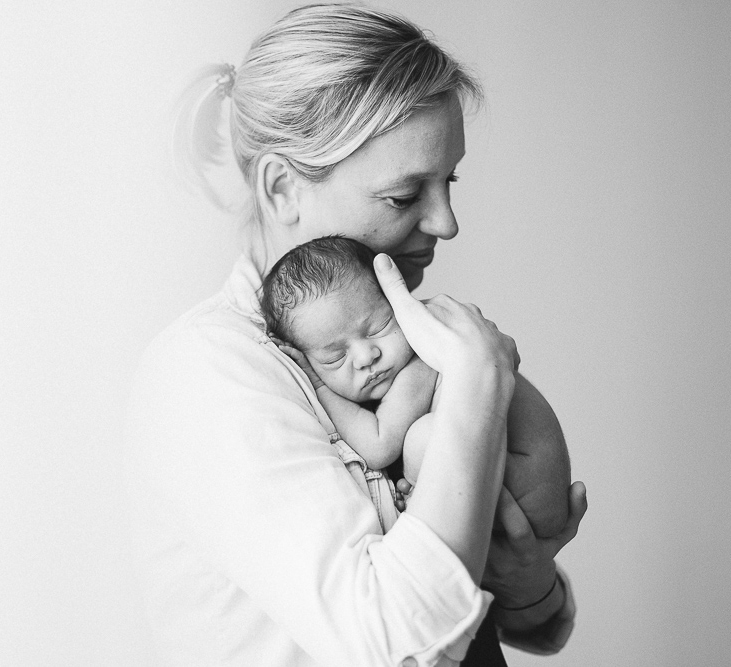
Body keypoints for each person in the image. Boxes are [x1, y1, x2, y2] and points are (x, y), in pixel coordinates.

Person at [125, 5, 587, 666]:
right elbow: (396, 647)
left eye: (449, 182)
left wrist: (527, 581)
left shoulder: (400, 343)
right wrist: (479, 384)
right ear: (283, 189)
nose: (447, 222)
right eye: (404, 195)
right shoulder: (208, 376)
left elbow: (532, 627)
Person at [260, 235, 570, 538]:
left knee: (424, 437)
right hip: (513, 487)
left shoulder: (422, 362)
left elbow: (379, 446)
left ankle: (414, 505)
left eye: (379, 327)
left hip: (529, 489)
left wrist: (319, 384)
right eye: (335, 357)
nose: (367, 357)